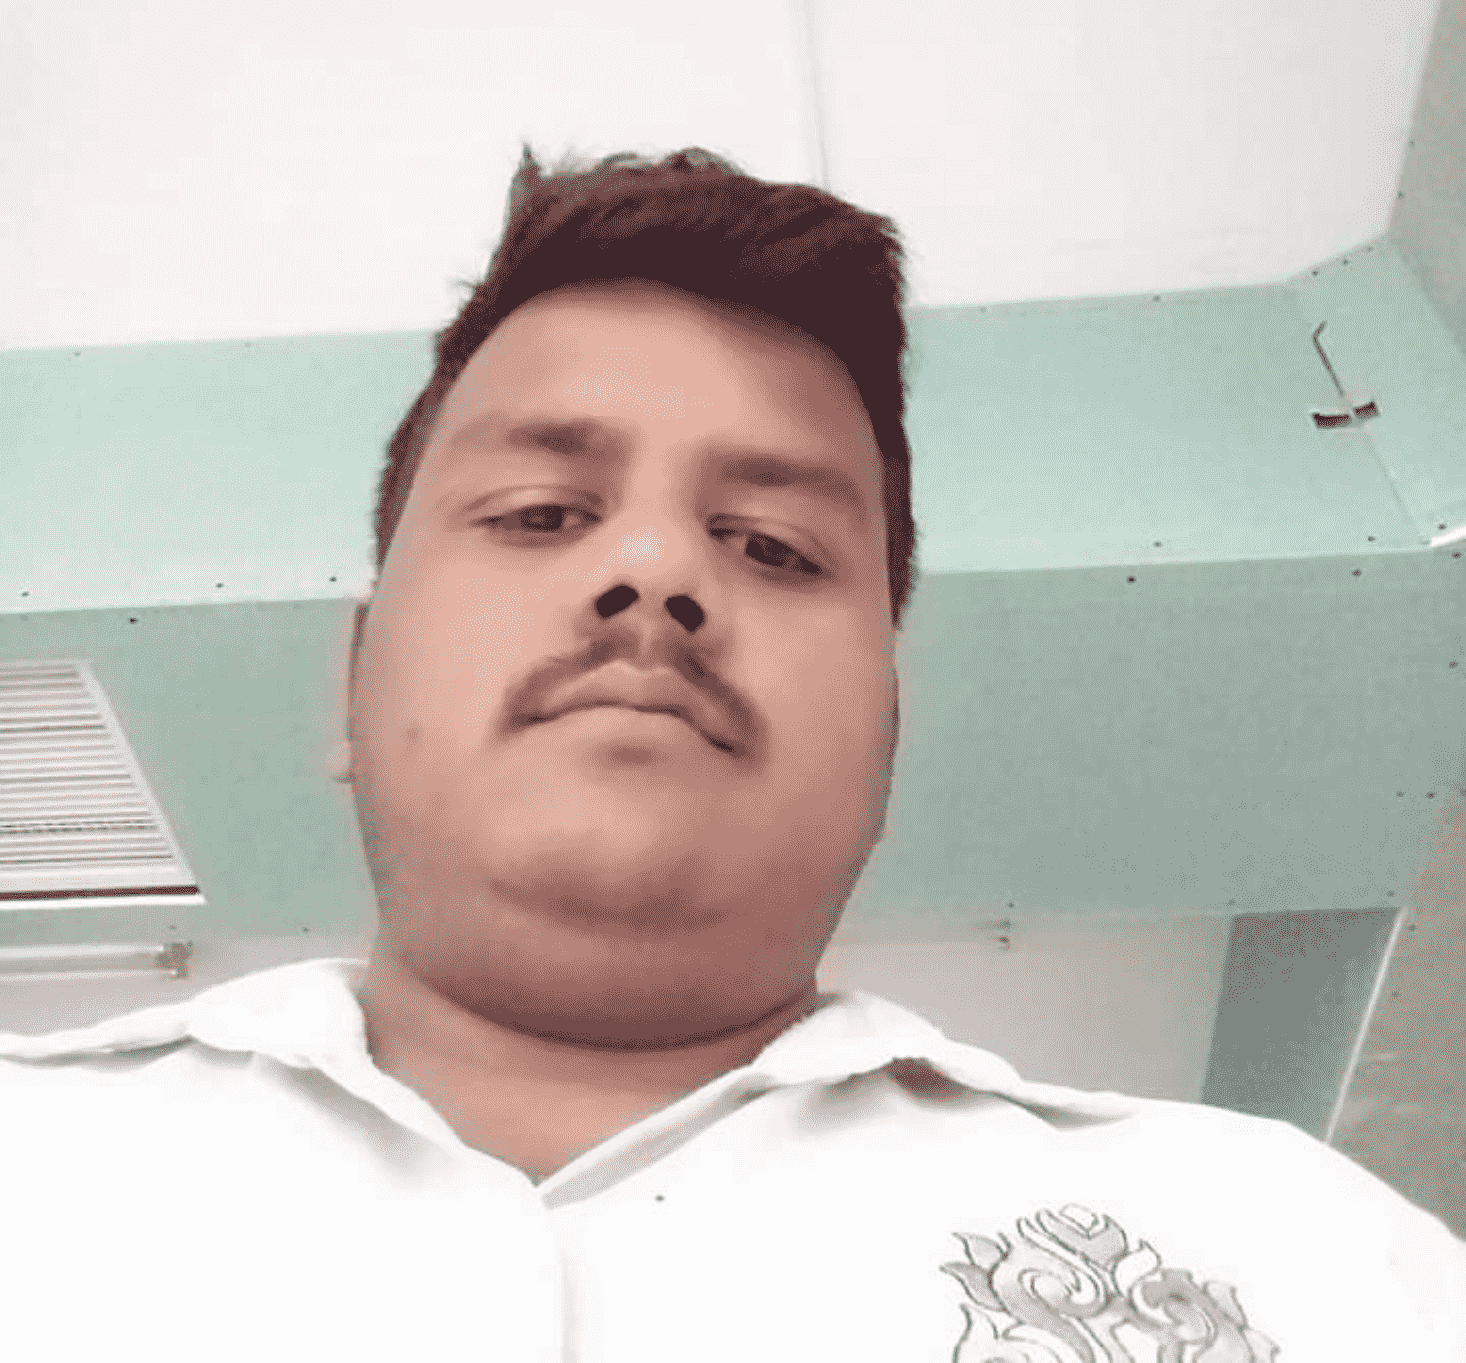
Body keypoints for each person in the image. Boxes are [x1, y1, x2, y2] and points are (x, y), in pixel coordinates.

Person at [3, 145, 1463, 1361]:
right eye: (540, 513)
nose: (653, 571)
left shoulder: (1314, 1254)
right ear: (352, 670)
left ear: (886, 734)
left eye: (771, 545)